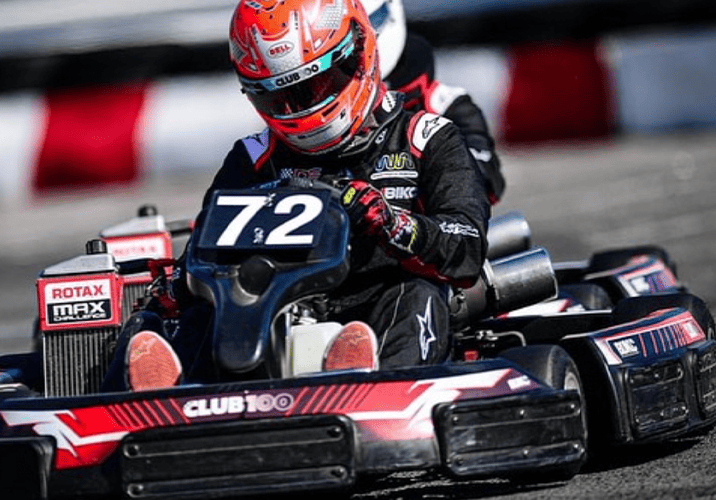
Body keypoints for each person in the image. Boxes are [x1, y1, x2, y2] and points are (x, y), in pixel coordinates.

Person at [105, 0, 490, 392]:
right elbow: (208, 253)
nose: (298, 109)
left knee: (414, 294)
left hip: (378, 307)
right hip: (273, 311)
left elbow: (467, 249)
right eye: (279, 97)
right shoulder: (253, 159)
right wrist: (179, 283)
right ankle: (172, 394)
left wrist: (395, 225)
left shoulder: (426, 138)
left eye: (313, 87)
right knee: (208, 306)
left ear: (355, 56)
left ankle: (367, 381)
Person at [359, 0, 505, 204]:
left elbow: (485, 183)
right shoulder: (316, 116)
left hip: (422, 230)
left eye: (366, 27)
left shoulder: (447, 106)